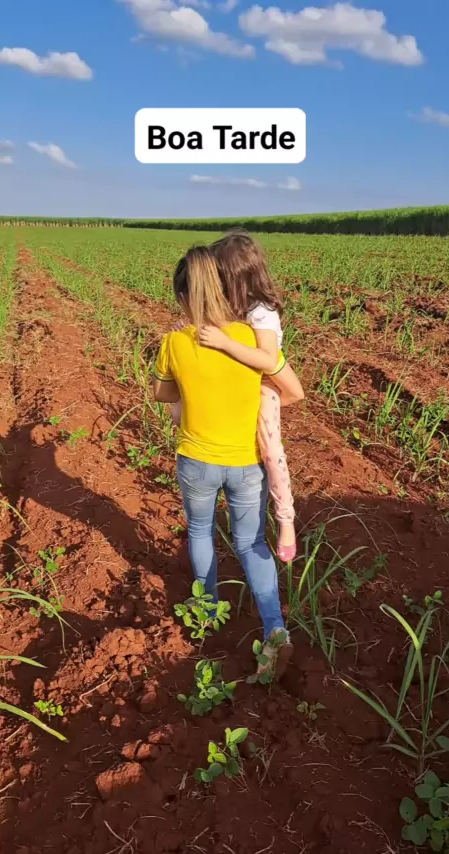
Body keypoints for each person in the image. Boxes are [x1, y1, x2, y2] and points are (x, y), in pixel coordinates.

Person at [152, 246, 294, 679]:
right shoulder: (252, 340)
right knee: (250, 544)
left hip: (196, 459)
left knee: (200, 530)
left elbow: (163, 395)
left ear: (184, 298)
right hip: (246, 463)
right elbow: (291, 387)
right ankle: (275, 628)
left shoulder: (174, 342)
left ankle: (207, 611)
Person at [175, 231, 304, 562]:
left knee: (271, 450)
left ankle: (285, 519)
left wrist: (225, 343)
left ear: (233, 276)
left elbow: (268, 360)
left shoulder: (261, 311)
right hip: (238, 382)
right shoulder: (236, 306)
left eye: (218, 275)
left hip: (264, 385)